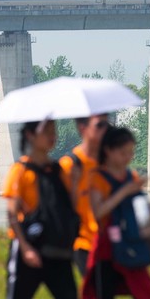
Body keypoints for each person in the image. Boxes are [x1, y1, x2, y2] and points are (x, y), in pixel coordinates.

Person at [0, 120, 87, 299]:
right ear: (30, 135)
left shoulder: (58, 170)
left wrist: (74, 183)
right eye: (47, 131)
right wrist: (25, 249)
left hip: (58, 253)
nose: (52, 135)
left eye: (54, 130)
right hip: (30, 254)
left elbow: (68, 206)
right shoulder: (20, 170)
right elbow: (12, 214)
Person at [83, 126, 150, 299]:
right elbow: (98, 211)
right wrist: (124, 191)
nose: (128, 158)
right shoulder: (97, 178)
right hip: (106, 252)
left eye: (131, 152)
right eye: (123, 153)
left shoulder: (131, 175)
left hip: (131, 248)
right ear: (108, 150)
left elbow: (140, 214)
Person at [59, 114, 108, 276]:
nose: (105, 130)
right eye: (99, 125)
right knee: (95, 295)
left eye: (107, 124)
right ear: (83, 128)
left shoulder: (108, 163)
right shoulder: (69, 165)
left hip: (109, 242)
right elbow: (60, 208)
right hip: (83, 243)